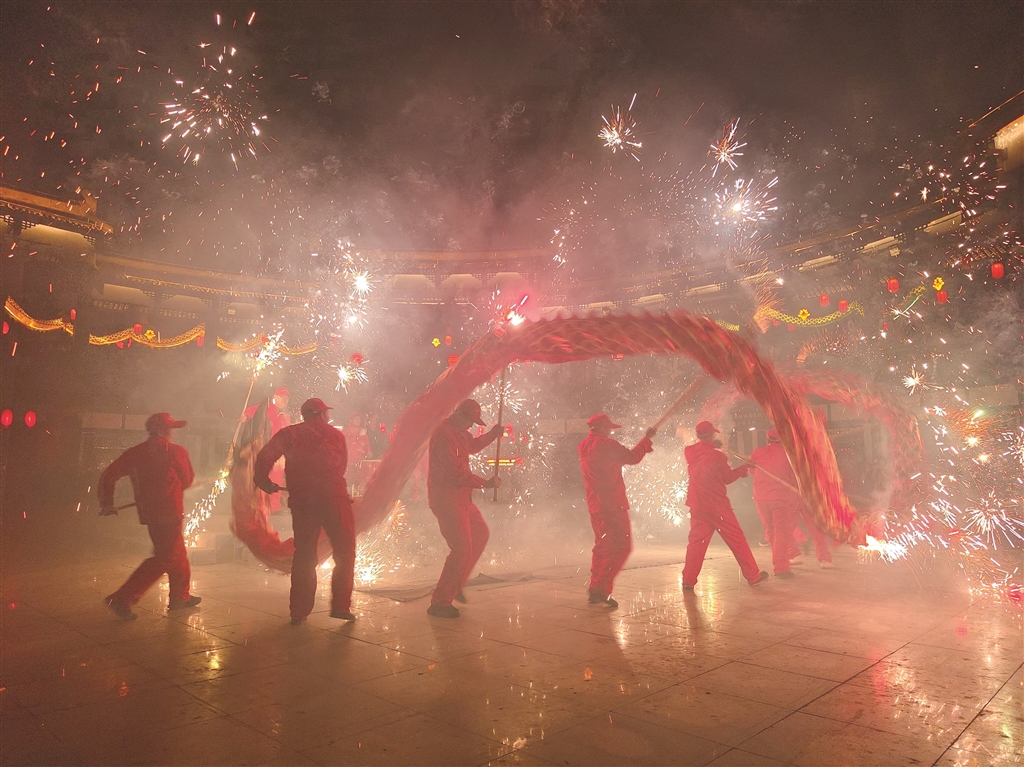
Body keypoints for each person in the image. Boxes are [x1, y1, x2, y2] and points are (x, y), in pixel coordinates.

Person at [254, 397, 357, 625]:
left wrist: (263, 481)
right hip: (334, 498)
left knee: (304, 555)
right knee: (345, 551)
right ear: (321, 414)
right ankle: (341, 606)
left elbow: (265, 456)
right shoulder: (336, 435)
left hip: (304, 501)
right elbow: (341, 466)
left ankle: (299, 611)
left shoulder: (290, 433)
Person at [99, 413, 200, 620]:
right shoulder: (175, 452)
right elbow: (188, 480)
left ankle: (180, 597)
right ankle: (122, 599)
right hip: (170, 512)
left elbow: (109, 475)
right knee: (166, 557)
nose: (173, 432)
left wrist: (107, 503)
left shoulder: (135, 453)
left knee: (177, 553)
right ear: (162, 430)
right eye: (171, 428)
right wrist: (174, 487)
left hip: (149, 513)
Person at [426, 399, 503, 619]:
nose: (471, 426)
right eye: (470, 421)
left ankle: (456, 582)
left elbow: (473, 446)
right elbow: (455, 474)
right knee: (461, 547)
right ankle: (440, 602)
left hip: (461, 497)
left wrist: (492, 435)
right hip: (447, 498)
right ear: (459, 415)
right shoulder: (443, 436)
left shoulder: (459, 432)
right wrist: (485, 483)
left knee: (480, 533)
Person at [578, 414, 655, 609]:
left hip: (595, 505)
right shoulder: (606, 445)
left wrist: (645, 443)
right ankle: (600, 589)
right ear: (603, 428)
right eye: (609, 428)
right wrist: (646, 439)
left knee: (602, 547)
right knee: (622, 547)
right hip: (612, 504)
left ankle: (595, 588)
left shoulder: (584, 446)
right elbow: (632, 457)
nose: (611, 432)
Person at [682, 421, 768, 589]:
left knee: (696, 545)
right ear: (712, 435)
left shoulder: (689, 452)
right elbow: (728, 478)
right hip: (718, 507)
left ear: (698, 435)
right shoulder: (718, 457)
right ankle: (753, 576)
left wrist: (711, 445)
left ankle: (688, 580)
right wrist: (745, 467)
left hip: (697, 506)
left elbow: (701, 453)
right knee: (737, 541)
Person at [749, 429, 802, 578]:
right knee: (781, 532)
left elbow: (751, 470)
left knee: (771, 531)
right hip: (779, 498)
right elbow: (794, 478)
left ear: (768, 439)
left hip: (760, 498)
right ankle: (781, 568)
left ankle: (779, 563)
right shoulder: (789, 455)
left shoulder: (758, 452)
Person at [243, 387, 292, 513]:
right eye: (282, 397)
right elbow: (252, 412)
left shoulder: (286, 415)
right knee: (264, 476)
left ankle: (274, 506)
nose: (285, 400)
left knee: (277, 478)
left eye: (287, 398)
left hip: (280, 452)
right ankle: (261, 505)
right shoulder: (267, 408)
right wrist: (245, 416)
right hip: (266, 448)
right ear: (275, 396)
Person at [343, 411, 371, 493]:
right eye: (356, 418)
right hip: (350, 460)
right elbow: (347, 443)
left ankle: (358, 493)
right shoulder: (346, 431)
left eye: (359, 419)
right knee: (350, 479)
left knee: (360, 479)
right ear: (351, 420)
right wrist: (359, 436)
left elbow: (366, 443)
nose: (358, 420)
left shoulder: (362, 431)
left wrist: (369, 451)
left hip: (361, 460)